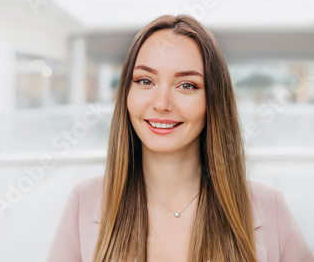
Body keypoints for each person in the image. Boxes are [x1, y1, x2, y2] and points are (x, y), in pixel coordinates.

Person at [46, 15, 314, 262]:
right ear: (126, 94)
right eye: (145, 81)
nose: (161, 103)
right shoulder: (84, 201)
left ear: (213, 101)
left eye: (187, 85)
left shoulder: (271, 208)